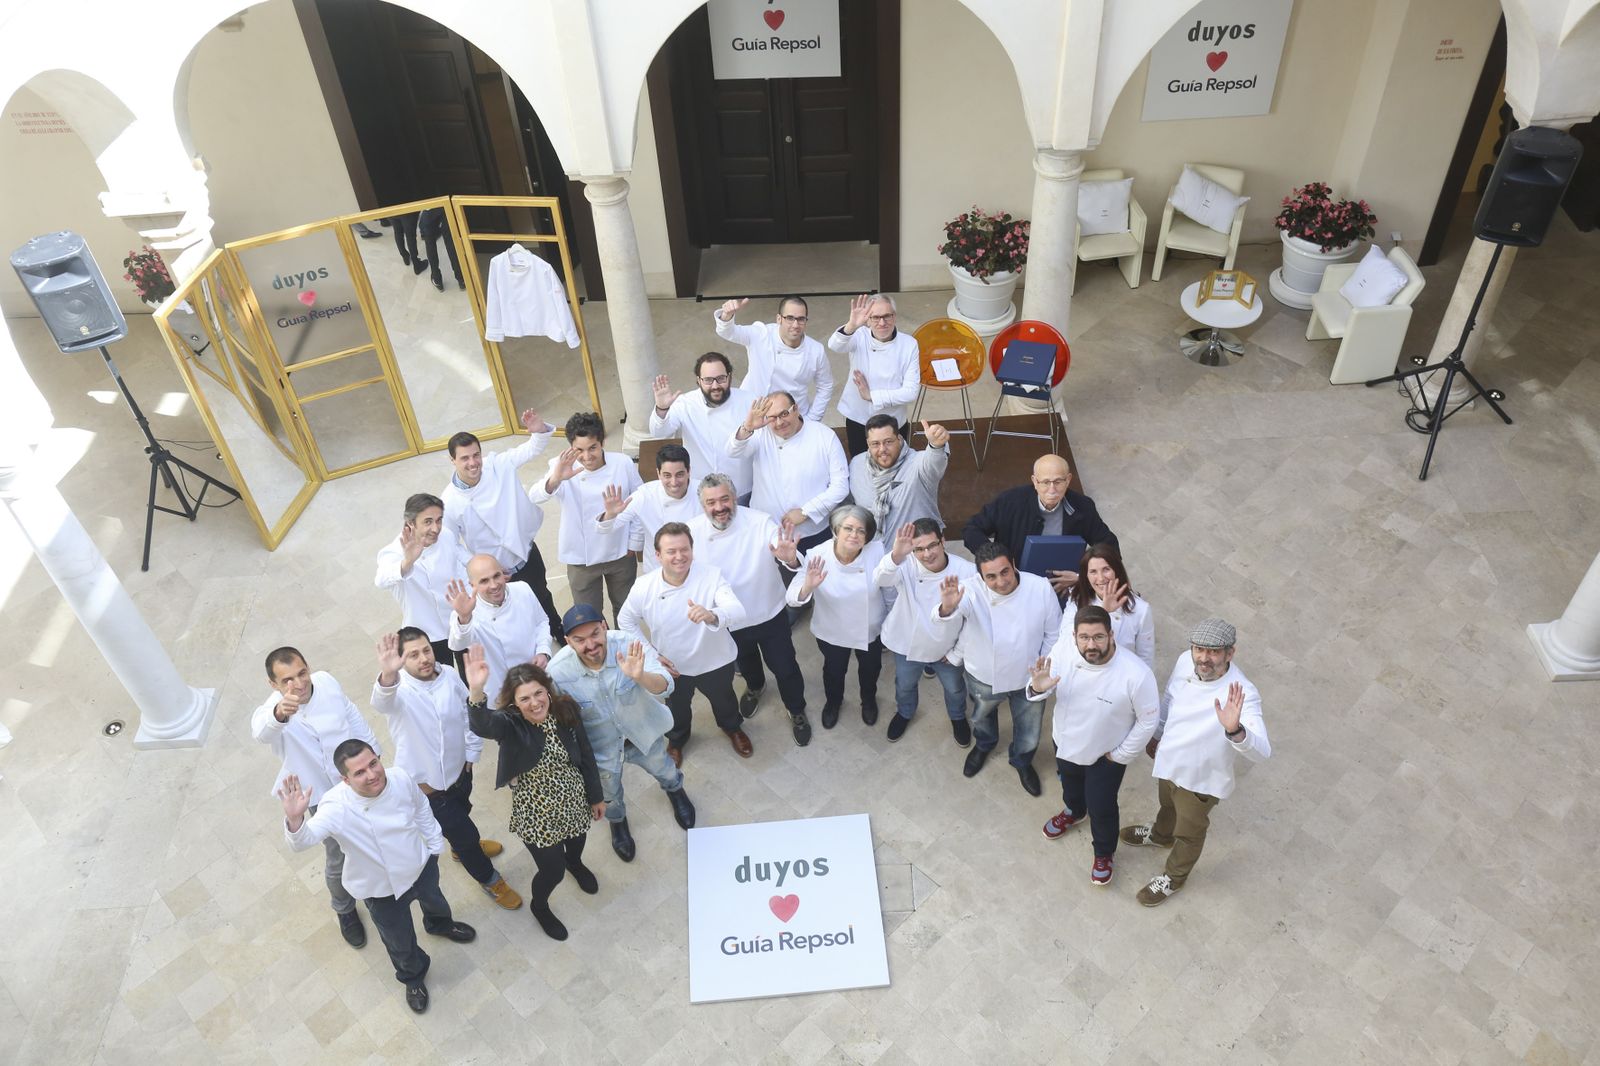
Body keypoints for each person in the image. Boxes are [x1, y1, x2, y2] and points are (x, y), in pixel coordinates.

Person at [279, 742, 476, 1015]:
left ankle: (440, 925)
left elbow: (421, 807)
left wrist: (434, 845)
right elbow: (303, 841)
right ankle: (413, 977)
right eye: (359, 772)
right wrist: (295, 820)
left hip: (419, 865)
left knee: (436, 901)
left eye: (373, 764)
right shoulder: (335, 807)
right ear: (345, 780)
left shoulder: (400, 777)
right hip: (380, 888)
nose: (372, 775)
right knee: (398, 940)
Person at [1119, 617, 1270, 907]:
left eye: (1214, 652)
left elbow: (1262, 751)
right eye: (1199, 649)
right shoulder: (1184, 661)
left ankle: (1174, 878)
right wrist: (1157, 733)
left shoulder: (1243, 693)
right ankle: (1160, 835)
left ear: (1230, 653)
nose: (1204, 658)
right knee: (1167, 805)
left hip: (1200, 781)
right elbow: (1169, 697)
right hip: (1169, 761)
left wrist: (1235, 730)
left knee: (1189, 834)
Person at [371, 629, 522, 910]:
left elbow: (469, 714)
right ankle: (489, 879)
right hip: (428, 790)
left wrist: (471, 754)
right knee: (466, 835)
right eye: (413, 655)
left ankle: (461, 848)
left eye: (426, 650)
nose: (424, 658)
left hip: (460, 773)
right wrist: (388, 675)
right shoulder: (399, 691)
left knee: (463, 814)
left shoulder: (449, 676)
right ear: (401, 661)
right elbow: (382, 702)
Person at [466, 653, 605, 941]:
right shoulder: (510, 724)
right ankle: (540, 907)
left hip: (573, 799)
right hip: (536, 812)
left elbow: (586, 754)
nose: (535, 703)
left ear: (547, 690)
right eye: (525, 698)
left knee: (577, 844)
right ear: (514, 704)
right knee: (552, 871)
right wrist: (476, 691)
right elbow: (483, 725)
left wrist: (596, 796)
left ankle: (575, 864)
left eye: (538, 693)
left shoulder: (565, 710)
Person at [252, 647, 380, 949]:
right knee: (338, 856)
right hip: (319, 794)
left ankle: (376, 887)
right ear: (273, 684)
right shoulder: (272, 711)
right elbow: (261, 733)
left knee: (371, 834)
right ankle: (344, 909)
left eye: (302, 673)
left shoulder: (326, 682)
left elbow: (350, 712)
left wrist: (372, 751)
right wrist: (280, 714)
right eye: (287, 680)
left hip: (353, 780)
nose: (298, 684)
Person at [548, 604, 696, 863]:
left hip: (642, 734)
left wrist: (641, 676)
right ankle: (617, 822)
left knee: (664, 769)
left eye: (595, 634)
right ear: (568, 641)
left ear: (605, 627)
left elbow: (666, 685)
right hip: (601, 748)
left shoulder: (629, 644)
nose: (590, 645)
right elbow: (556, 719)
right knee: (610, 794)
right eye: (579, 640)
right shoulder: (557, 672)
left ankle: (675, 791)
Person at [1026, 605, 1160, 887]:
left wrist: (1119, 756)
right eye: (1084, 637)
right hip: (1065, 742)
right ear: (1074, 636)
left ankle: (1103, 853)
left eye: (1098, 637)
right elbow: (1041, 687)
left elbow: (1148, 721)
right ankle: (1074, 812)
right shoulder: (1063, 651)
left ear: (1111, 635)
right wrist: (1037, 688)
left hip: (1105, 757)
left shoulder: (1136, 674)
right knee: (1070, 787)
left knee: (1102, 807)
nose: (1091, 645)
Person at [689, 473, 811, 746]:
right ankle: (756, 686)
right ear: (702, 505)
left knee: (785, 666)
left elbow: (787, 552)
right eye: (711, 502)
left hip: (768, 612)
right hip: (729, 617)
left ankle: (796, 709)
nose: (719, 507)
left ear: (735, 498)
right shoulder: (692, 531)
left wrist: (790, 559)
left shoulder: (760, 522)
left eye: (724, 499)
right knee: (745, 662)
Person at [932, 542, 1061, 795]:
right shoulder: (969, 590)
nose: (1001, 582)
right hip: (984, 674)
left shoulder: (1040, 588)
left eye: (1005, 572)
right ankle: (984, 744)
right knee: (982, 716)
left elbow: (1054, 633)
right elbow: (945, 619)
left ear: (1013, 564)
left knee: (1029, 728)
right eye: (991, 576)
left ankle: (1022, 760)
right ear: (980, 577)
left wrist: (1041, 666)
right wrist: (947, 607)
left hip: (1029, 677)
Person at [618, 522, 752, 762]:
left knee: (725, 700)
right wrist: (652, 655)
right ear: (658, 555)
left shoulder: (711, 575)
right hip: (673, 666)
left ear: (692, 550)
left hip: (715, 660)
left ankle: (732, 727)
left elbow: (738, 611)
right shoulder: (644, 586)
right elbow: (625, 620)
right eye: (671, 551)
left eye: (684, 549)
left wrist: (712, 615)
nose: (679, 556)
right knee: (677, 708)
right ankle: (677, 739)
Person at [440, 410, 563, 645]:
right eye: (464, 458)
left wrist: (538, 431)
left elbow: (530, 450)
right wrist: (479, 567)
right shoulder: (449, 501)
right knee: (509, 613)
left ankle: (557, 630)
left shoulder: (497, 465)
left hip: (525, 552)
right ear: (452, 460)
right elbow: (451, 545)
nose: (473, 463)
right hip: (496, 572)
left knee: (542, 596)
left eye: (476, 455)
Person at [783, 505, 888, 730]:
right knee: (834, 671)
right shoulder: (817, 554)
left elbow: (893, 579)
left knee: (870, 669)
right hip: (832, 629)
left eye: (861, 530)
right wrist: (808, 587)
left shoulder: (878, 551)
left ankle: (868, 700)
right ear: (835, 530)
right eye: (848, 528)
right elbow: (792, 597)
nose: (854, 535)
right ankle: (833, 703)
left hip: (869, 627)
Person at [530, 411, 643, 620]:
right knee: (589, 617)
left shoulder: (623, 463)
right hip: (581, 557)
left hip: (619, 550)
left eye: (593, 448)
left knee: (626, 611)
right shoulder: (561, 466)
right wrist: (556, 478)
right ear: (571, 447)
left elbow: (638, 503)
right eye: (579, 450)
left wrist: (633, 544)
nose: (587, 456)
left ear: (602, 443)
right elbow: (534, 496)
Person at [874, 519, 976, 745]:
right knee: (904, 684)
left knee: (955, 688)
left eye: (932, 546)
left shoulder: (966, 571)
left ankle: (958, 717)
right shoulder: (906, 564)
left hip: (946, 646)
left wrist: (957, 653)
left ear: (943, 541)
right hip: (908, 642)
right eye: (919, 549)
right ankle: (905, 712)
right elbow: (881, 579)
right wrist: (896, 556)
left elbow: (973, 621)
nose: (927, 554)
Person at [962, 453, 1119, 598]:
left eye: (1058, 481)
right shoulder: (1010, 502)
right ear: (1035, 481)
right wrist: (995, 558)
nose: (1052, 489)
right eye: (1045, 482)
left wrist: (1081, 577)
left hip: (1063, 588)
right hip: (1014, 585)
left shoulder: (1082, 506)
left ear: (1068, 480)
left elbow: (1108, 545)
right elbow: (971, 529)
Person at [726, 390, 849, 552]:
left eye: (784, 414)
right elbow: (732, 451)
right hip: (766, 529)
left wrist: (806, 512)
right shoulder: (760, 434)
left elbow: (840, 487)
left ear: (796, 409)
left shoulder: (824, 436)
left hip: (813, 532)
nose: (779, 422)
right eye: (772, 418)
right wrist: (747, 427)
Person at [446, 554, 552, 708]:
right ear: (472, 585)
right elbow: (458, 644)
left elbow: (541, 622)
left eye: (496, 576)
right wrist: (464, 617)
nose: (494, 585)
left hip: (535, 682)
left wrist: (543, 651)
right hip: (500, 695)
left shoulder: (522, 589)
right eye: (484, 581)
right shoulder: (467, 611)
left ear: (503, 574)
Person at [374, 492, 465, 670]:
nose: (436, 528)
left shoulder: (446, 535)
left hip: (458, 621)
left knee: (470, 674)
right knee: (441, 679)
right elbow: (381, 580)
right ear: (411, 523)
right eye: (428, 522)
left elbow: (459, 566)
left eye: (439, 520)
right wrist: (408, 562)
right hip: (427, 635)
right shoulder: (393, 552)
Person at [649, 353, 756, 499]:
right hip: (700, 491)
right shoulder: (685, 403)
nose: (715, 386)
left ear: (729, 377)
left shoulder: (749, 401)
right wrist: (662, 408)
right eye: (708, 380)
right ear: (698, 381)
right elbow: (660, 432)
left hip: (741, 490)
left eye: (721, 378)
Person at [713, 296, 833, 422]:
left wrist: (812, 418)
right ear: (779, 319)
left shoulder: (816, 350)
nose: (795, 325)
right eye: (790, 318)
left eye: (801, 319)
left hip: (790, 417)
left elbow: (826, 386)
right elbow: (728, 332)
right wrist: (727, 315)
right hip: (752, 410)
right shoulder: (761, 334)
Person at [828, 293, 919, 458]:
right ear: (868, 320)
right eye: (875, 317)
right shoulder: (858, 335)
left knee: (895, 464)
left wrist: (872, 396)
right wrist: (851, 325)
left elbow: (911, 392)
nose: (882, 323)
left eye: (887, 316)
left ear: (894, 316)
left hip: (893, 419)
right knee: (860, 462)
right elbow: (834, 345)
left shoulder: (909, 344)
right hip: (859, 417)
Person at [594, 444, 698, 574]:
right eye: (667, 475)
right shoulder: (645, 495)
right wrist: (610, 514)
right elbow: (605, 528)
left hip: (696, 568)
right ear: (658, 473)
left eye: (679, 474)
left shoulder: (703, 492)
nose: (674, 482)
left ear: (689, 471)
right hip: (657, 571)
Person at [848, 415, 949, 545]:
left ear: (899, 439)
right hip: (873, 551)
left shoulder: (918, 463)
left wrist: (936, 446)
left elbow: (934, 462)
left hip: (919, 551)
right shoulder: (856, 465)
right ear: (868, 444)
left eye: (888, 442)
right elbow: (848, 508)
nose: (882, 449)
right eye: (875, 444)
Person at [1063, 543, 1154, 671]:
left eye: (1106, 569)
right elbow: (1065, 641)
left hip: (1121, 676)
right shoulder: (1076, 600)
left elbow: (1145, 658)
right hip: (1082, 672)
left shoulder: (1141, 609)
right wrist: (1104, 612)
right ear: (1086, 576)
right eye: (1093, 572)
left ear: (1117, 571)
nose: (1101, 578)